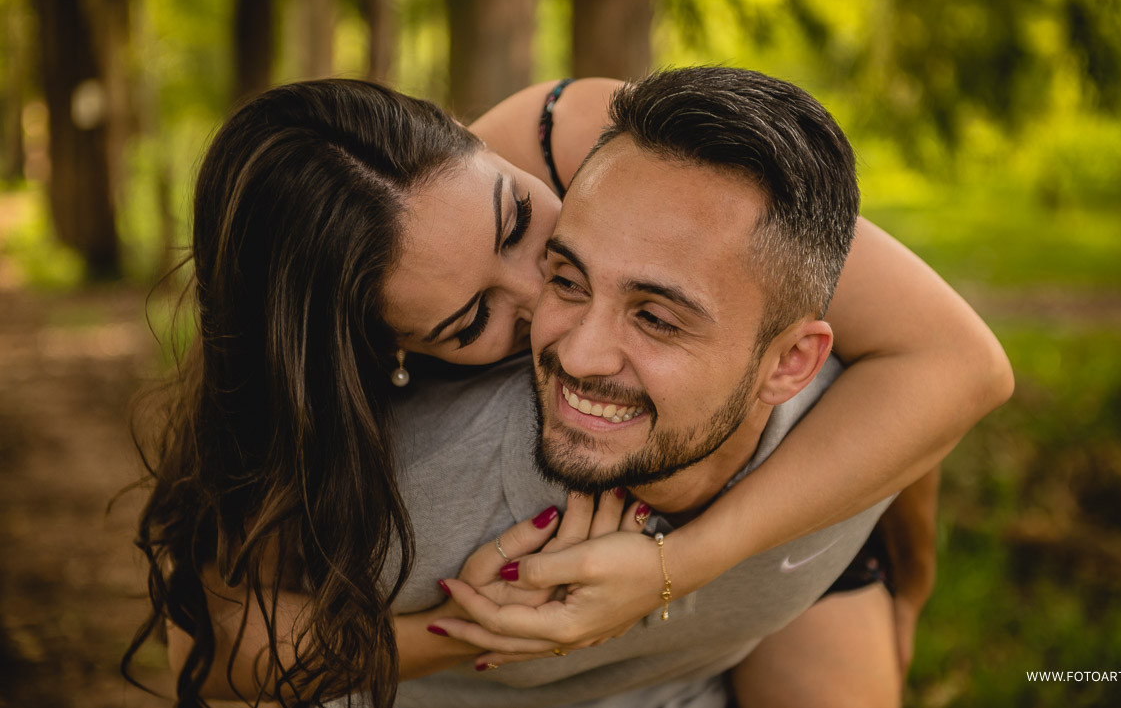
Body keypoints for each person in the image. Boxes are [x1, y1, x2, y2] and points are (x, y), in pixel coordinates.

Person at [127, 71, 1011, 707]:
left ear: (485, 148)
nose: (545, 304)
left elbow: (938, 366)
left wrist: (677, 570)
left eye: (521, 227)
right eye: (471, 321)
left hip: (756, 495)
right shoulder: (339, 416)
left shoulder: (588, 133)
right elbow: (217, 656)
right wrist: (490, 623)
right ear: (389, 351)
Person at [334, 65, 954, 706]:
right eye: (568, 280)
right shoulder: (401, 491)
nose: (578, 353)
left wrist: (903, 600)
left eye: (656, 318)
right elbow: (232, 659)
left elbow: (936, 391)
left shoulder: (845, 418)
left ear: (791, 362)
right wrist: (474, 627)